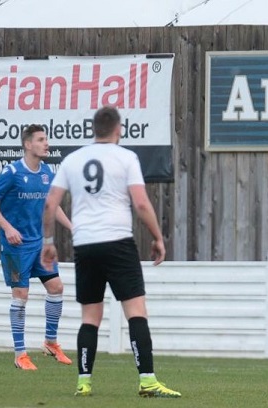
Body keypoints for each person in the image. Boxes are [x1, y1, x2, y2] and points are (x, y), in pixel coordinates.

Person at [41, 106, 181, 398]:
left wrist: (48, 241)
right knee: (136, 312)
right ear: (119, 129)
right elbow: (141, 204)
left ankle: (83, 382)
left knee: (90, 317)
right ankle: (147, 380)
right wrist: (158, 237)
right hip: (118, 242)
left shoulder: (73, 160)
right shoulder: (126, 157)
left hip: (86, 245)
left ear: (94, 129)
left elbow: (49, 204)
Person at [0, 124, 73, 370]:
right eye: (41, 139)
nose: (46, 143)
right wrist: (7, 227)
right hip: (16, 246)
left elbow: (52, 204)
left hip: (39, 244)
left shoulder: (46, 172)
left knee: (56, 287)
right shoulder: (12, 172)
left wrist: (72, 227)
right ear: (28, 144)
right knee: (21, 295)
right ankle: (20, 354)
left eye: (46, 139)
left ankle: (50, 342)